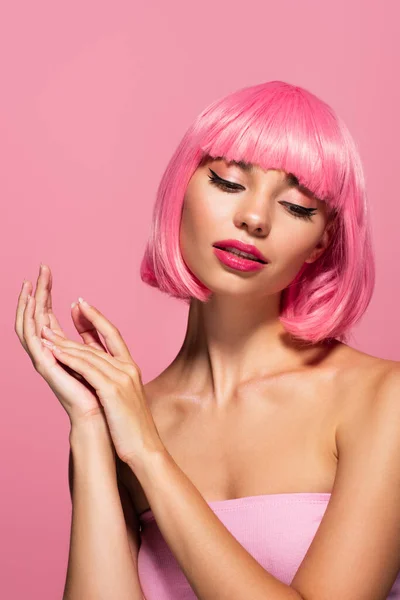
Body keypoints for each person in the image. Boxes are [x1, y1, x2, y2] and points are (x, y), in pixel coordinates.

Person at [15, 80, 400, 599]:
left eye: (297, 207)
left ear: (321, 242)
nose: (254, 218)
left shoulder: (383, 401)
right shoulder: (120, 420)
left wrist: (149, 455)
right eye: (228, 183)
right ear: (181, 191)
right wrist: (90, 428)